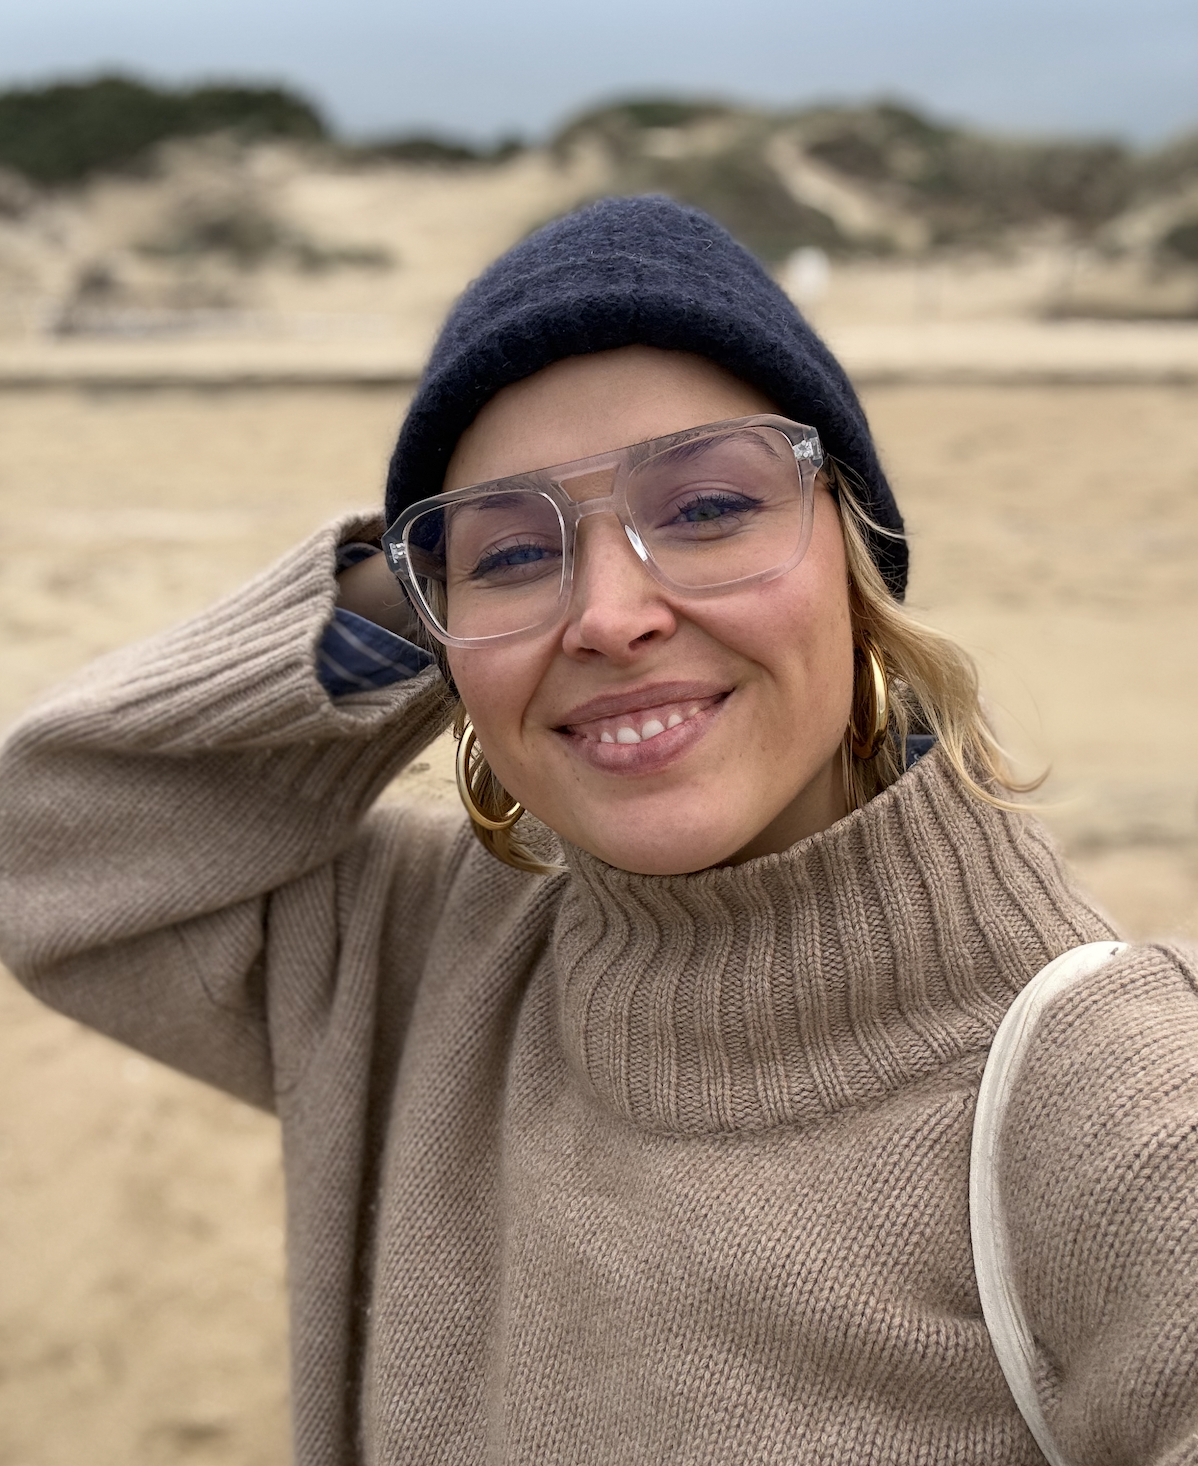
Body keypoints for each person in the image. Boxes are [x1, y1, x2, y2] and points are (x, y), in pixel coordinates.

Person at [1, 195, 1195, 1465]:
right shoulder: (429, 960)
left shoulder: (1109, 1107)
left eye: (704, 509)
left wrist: (501, 562)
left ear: (852, 555)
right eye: (517, 552)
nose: (611, 614)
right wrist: (425, 595)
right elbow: (53, 847)